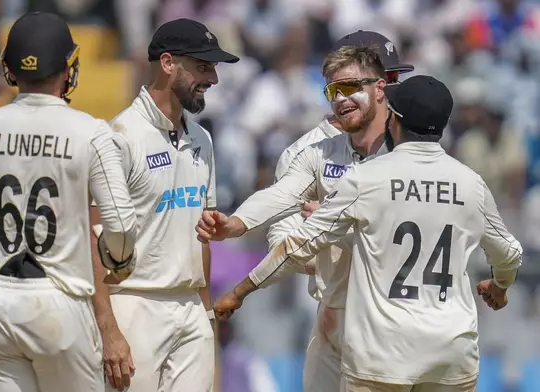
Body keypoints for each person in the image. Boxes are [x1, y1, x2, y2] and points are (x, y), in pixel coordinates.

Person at [212, 75, 523, 391]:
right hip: (451, 351)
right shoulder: (471, 184)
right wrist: (500, 285)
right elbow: (509, 252)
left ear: (395, 121)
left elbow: (299, 245)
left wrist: (240, 291)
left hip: (382, 353)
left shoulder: (367, 179)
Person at [0, 12, 137, 392]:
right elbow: (120, 226)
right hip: (61, 299)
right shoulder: (91, 132)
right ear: (68, 67)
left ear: (10, 69)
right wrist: (118, 261)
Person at [197, 43, 392, 391]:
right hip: (333, 311)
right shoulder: (315, 151)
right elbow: (281, 200)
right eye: (334, 90)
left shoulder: (406, 150)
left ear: (381, 87)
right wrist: (235, 225)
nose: (341, 99)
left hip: (389, 317)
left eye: (350, 87)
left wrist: (335, 226)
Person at [88, 18, 239, 392]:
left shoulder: (202, 139)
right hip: (134, 305)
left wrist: (206, 317)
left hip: (189, 308)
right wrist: (109, 330)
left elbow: (200, 235)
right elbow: (92, 239)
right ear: (168, 63)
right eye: (203, 67)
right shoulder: (119, 137)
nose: (214, 79)